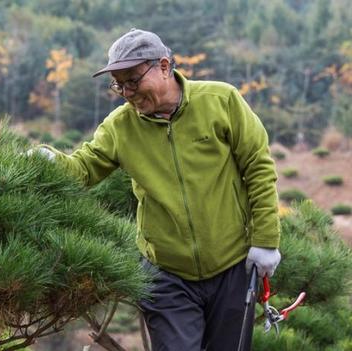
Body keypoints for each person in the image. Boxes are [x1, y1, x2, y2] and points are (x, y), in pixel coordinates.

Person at [32, 28, 281, 350]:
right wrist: (48, 161)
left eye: (133, 80)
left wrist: (265, 241)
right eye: (118, 84)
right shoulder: (120, 126)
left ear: (164, 66)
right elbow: (85, 167)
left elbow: (258, 167)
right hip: (166, 274)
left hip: (232, 266)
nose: (126, 92)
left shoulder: (221, 101)